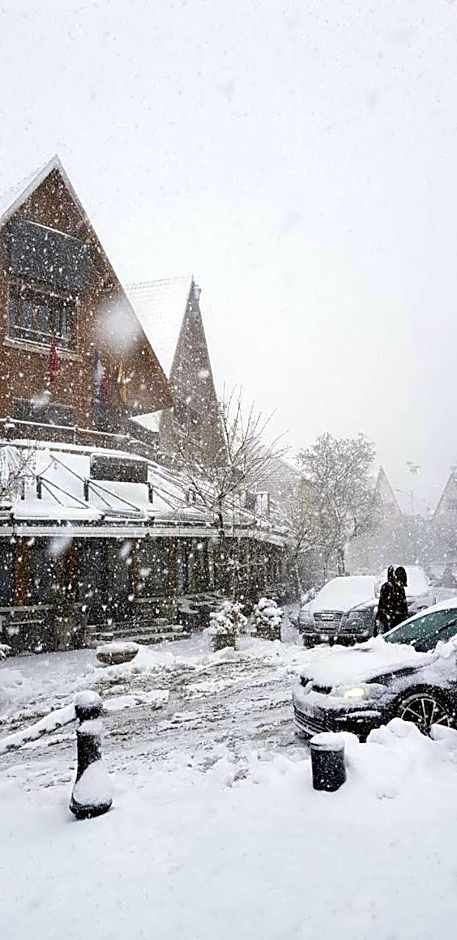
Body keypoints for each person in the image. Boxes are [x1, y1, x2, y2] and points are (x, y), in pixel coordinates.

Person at [376, 565, 408, 634]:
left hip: (394, 622)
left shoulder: (398, 588)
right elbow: (385, 607)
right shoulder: (389, 588)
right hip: (390, 623)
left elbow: (403, 606)